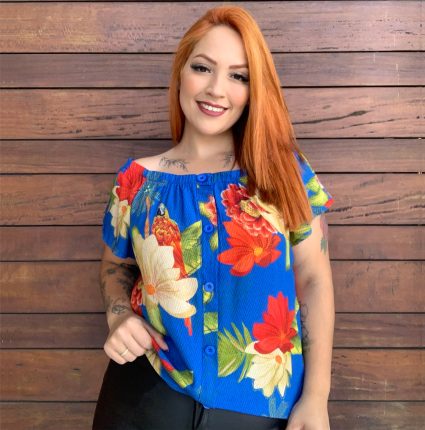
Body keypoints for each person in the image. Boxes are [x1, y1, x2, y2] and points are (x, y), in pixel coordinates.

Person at [93, 5, 334, 430]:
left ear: (254, 89)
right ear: (181, 73)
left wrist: (316, 397)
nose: (216, 89)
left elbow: (313, 279)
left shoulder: (286, 174)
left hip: (259, 409)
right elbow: (116, 266)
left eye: (239, 76)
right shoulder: (135, 180)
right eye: (203, 68)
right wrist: (119, 316)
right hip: (144, 396)